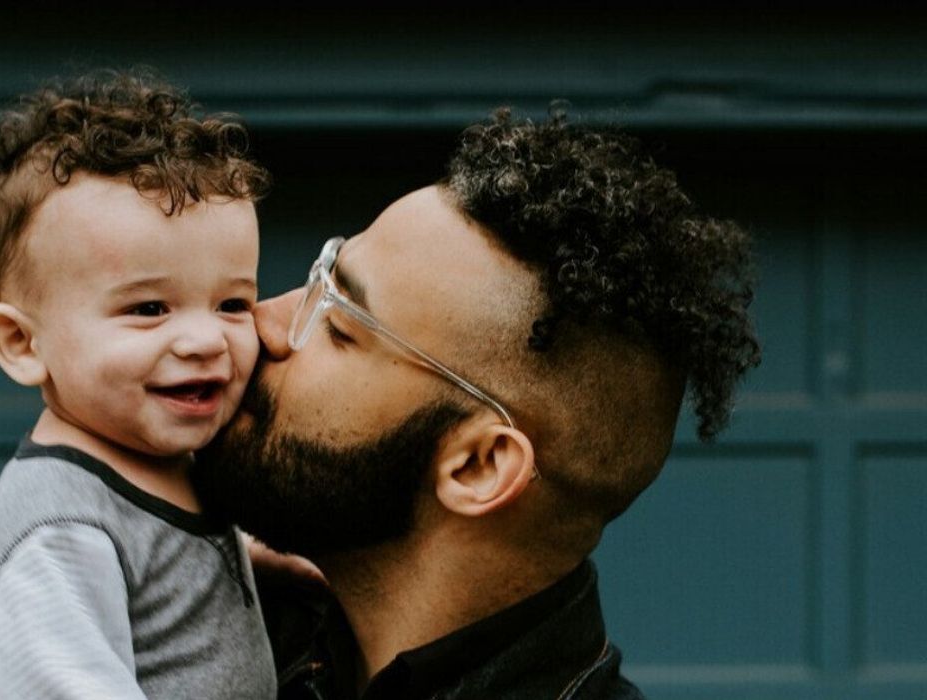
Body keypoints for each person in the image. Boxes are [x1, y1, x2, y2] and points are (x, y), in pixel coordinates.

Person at [193, 106, 761, 699]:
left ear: (479, 465)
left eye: (339, 328)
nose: (263, 321)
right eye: (320, 278)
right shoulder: (209, 611)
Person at [0, 69, 277, 698]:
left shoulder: (166, 463)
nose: (205, 340)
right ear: (22, 344)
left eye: (232, 304)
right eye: (149, 309)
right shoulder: (56, 534)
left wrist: (264, 563)